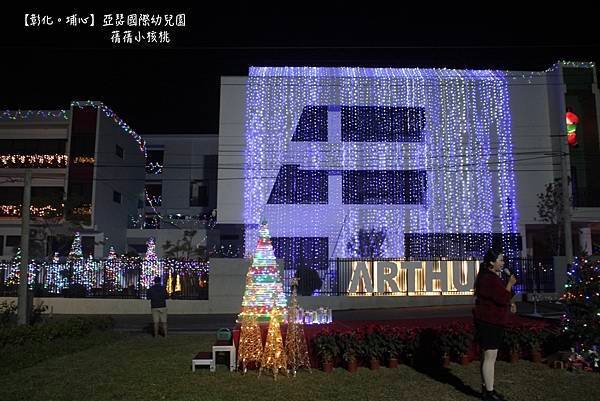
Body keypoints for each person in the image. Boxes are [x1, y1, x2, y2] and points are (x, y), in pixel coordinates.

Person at [473, 249, 517, 401]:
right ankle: (489, 393)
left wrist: (510, 301)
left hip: (492, 320)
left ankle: (488, 389)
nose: (503, 263)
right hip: (489, 321)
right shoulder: (488, 278)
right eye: (500, 260)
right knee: (490, 356)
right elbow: (502, 296)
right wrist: (510, 284)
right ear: (492, 262)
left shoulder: (492, 276)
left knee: (488, 357)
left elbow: (502, 296)